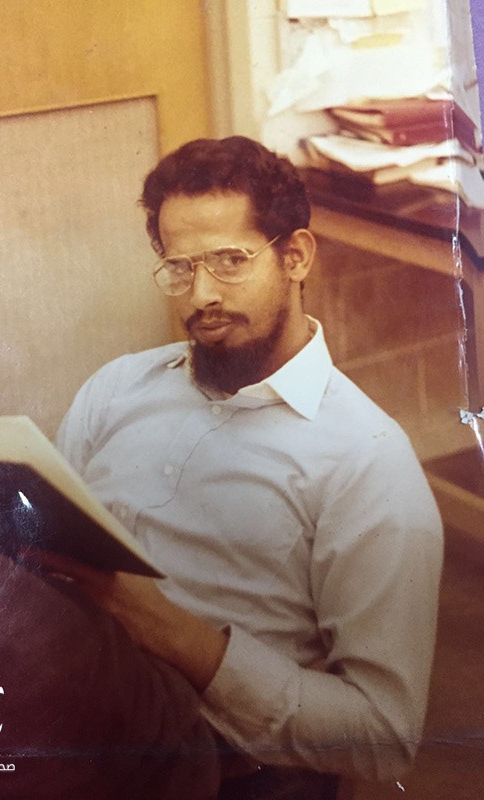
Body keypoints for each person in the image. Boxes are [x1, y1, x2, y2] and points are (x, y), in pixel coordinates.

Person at [52, 136, 443, 795]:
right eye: (180, 268)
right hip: (70, 709)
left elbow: (383, 736)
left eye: (230, 261)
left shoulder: (367, 460)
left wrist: (173, 633)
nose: (201, 295)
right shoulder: (115, 389)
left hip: (223, 770)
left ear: (296, 256)